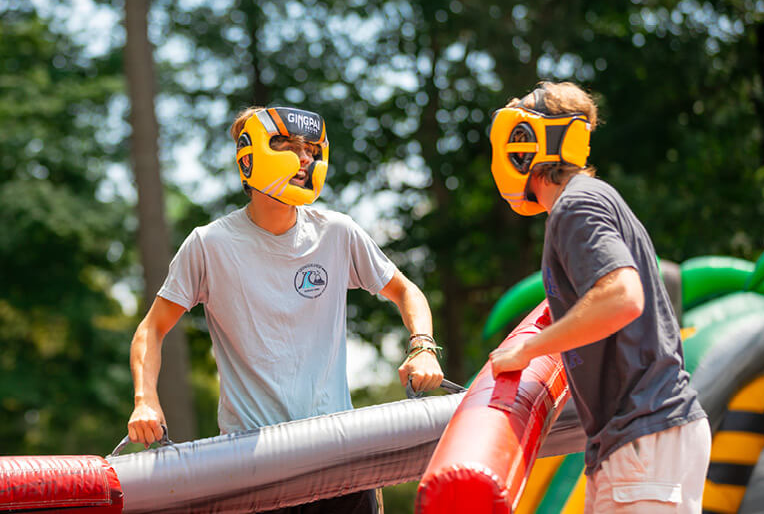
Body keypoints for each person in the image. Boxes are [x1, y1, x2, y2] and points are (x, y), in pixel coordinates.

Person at [126, 105, 444, 514]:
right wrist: (145, 400)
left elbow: (406, 291)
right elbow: (151, 330)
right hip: (252, 465)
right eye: (289, 146)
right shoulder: (209, 245)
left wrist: (423, 346)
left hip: (339, 455)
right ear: (250, 156)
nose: (305, 158)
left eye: (311, 149)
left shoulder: (337, 232)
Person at [487, 82, 710, 513]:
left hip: (643, 436)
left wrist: (528, 351)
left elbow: (622, 296)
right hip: (643, 436)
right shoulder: (593, 197)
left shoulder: (575, 207)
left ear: (525, 142)